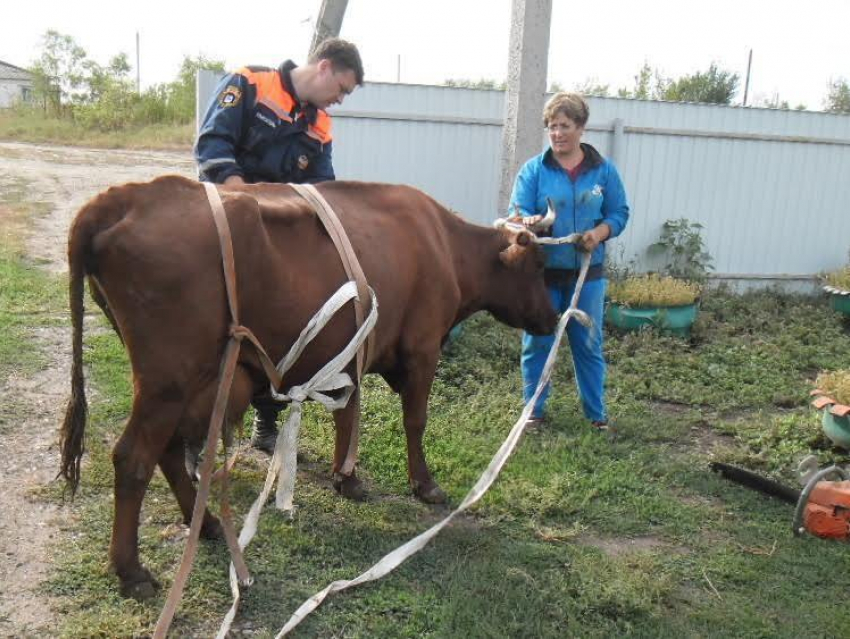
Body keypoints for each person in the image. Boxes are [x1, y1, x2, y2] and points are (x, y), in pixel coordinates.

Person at [194, 38, 364, 454]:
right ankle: (196, 436)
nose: (339, 100)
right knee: (213, 333)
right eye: (341, 89)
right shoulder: (250, 83)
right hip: (227, 227)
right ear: (324, 67)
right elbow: (212, 147)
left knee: (280, 333)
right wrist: (247, 206)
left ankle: (266, 421)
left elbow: (322, 188)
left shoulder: (319, 125)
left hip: (278, 242)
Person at [507, 92, 630, 431]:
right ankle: (533, 411)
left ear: (581, 128)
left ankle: (596, 416)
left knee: (588, 345)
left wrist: (600, 233)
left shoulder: (603, 172)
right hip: (543, 276)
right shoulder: (534, 170)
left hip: (587, 277)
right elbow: (515, 215)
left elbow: (620, 212)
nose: (557, 133)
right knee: (538, 343)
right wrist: (528, 223)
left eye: (564, 126)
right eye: (552, 127)